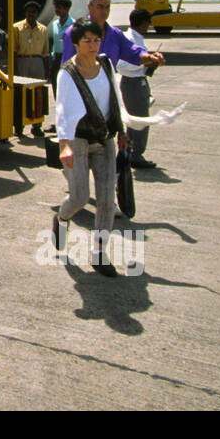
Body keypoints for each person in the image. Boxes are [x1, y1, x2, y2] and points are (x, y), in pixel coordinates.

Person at [52, 20, 127, 276]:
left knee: (106, 199)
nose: (93, 45)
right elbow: (61, 112)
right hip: (78, 139)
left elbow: (116, 99)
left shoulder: (106, 64)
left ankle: (99, 254)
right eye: (87, 41)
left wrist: (123, 131)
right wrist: (64, 146)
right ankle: (62, 219)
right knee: (80, 197)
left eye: (96, 40)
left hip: (105, 138)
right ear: (76, 44)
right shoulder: (67, 73)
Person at [62, 0, 166, 73]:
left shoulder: (115, 34)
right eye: (100, 7)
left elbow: (133, 52)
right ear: (90, 7)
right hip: (81, 90)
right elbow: (67, 68)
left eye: (107, 7)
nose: (104, 11)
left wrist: (150, 57)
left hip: (107, 88)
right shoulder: (73, 32)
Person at [117, 8, 158, 169]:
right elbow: (121, 65)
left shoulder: (138, 38)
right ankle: (136, 154)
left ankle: (130, 152)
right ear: (142, 23)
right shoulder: (129, 39)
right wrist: (144, 62)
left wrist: (149, 65)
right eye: (147, 23)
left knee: (135, 121)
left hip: (139, 82)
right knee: (140, 121)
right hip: (132, 83)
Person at [13, 1, 51, 138]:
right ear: (25, 13)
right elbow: (14, 51)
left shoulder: (43, 30)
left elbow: (46, 52)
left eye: (34, 12)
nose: (31, 14)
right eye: (29, 12)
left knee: (38, 95)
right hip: (23, 60)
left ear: (37, 14)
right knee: (21, 95)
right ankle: (19, 126)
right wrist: (15, 69)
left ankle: (37, 126)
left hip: (37, 61)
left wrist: (47, 71)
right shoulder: (16, 28)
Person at [47, 0, 74, 102]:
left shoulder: (74, 25)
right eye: (56, 7)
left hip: (69, 58)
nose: (56, 10)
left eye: (59, 7)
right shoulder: (54, 24)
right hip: (56, 58)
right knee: (56, 87)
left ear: (66, 9)